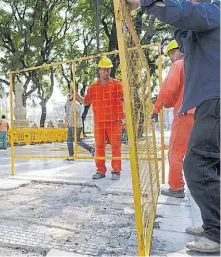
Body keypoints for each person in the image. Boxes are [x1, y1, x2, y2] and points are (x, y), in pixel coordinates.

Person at [126, 0, 220, 252]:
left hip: (212, 103)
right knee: (211, 166)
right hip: (205, 105)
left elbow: (185, 14)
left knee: (196, 164)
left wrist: (144, 2)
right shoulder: (200, 30)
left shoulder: (214, 11)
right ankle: (214, 222)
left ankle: (217, 231)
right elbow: (182, 25)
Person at [152, 40, 194, 199]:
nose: (171, 58)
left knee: (175, 153)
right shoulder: (198, 64)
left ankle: (176, 187)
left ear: (181, 50)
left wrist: (156, 107)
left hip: (184, 115)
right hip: (204, 113)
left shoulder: (178, 65)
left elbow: (169, 89)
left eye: (172, 53)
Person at [78, 57, 124, 180]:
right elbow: (86, 102)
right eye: (104, 70)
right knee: (99, 146)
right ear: (99, 70)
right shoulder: (92, 87)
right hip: (99, 122)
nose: (106, 72)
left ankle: (116, 171)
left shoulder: (118, 85)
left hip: (115, 120)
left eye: (108, 70)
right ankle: (100, 170)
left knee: (116, 146)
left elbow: (126, 99)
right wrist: (76, 96)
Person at [65, 88, 95, 161]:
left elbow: (74, 115)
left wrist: (68, 122)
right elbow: (68, 114)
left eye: (70, 94)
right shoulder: (71, 104)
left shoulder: (76, 104)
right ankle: (71, 156)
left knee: (76, 141)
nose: (68, 96)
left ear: (74, 95)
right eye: (68, 94)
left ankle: (91, 149)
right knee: (70, 140)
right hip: (71, 125)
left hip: (77, 125)